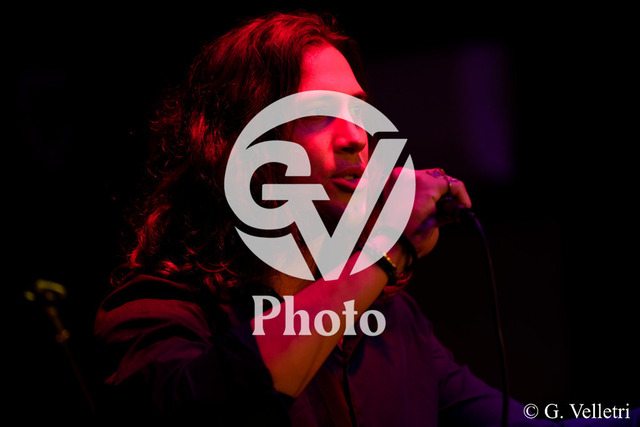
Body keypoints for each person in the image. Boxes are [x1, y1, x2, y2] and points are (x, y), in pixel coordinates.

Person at [94, 11, 638, 426]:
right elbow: (221, 402)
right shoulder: (158, 312)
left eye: (357, 110)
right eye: (318, 112)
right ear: (245, 143)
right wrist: (387, 250)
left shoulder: (389, 322)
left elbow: (521, 419)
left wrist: (616, 414)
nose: (356, 136)